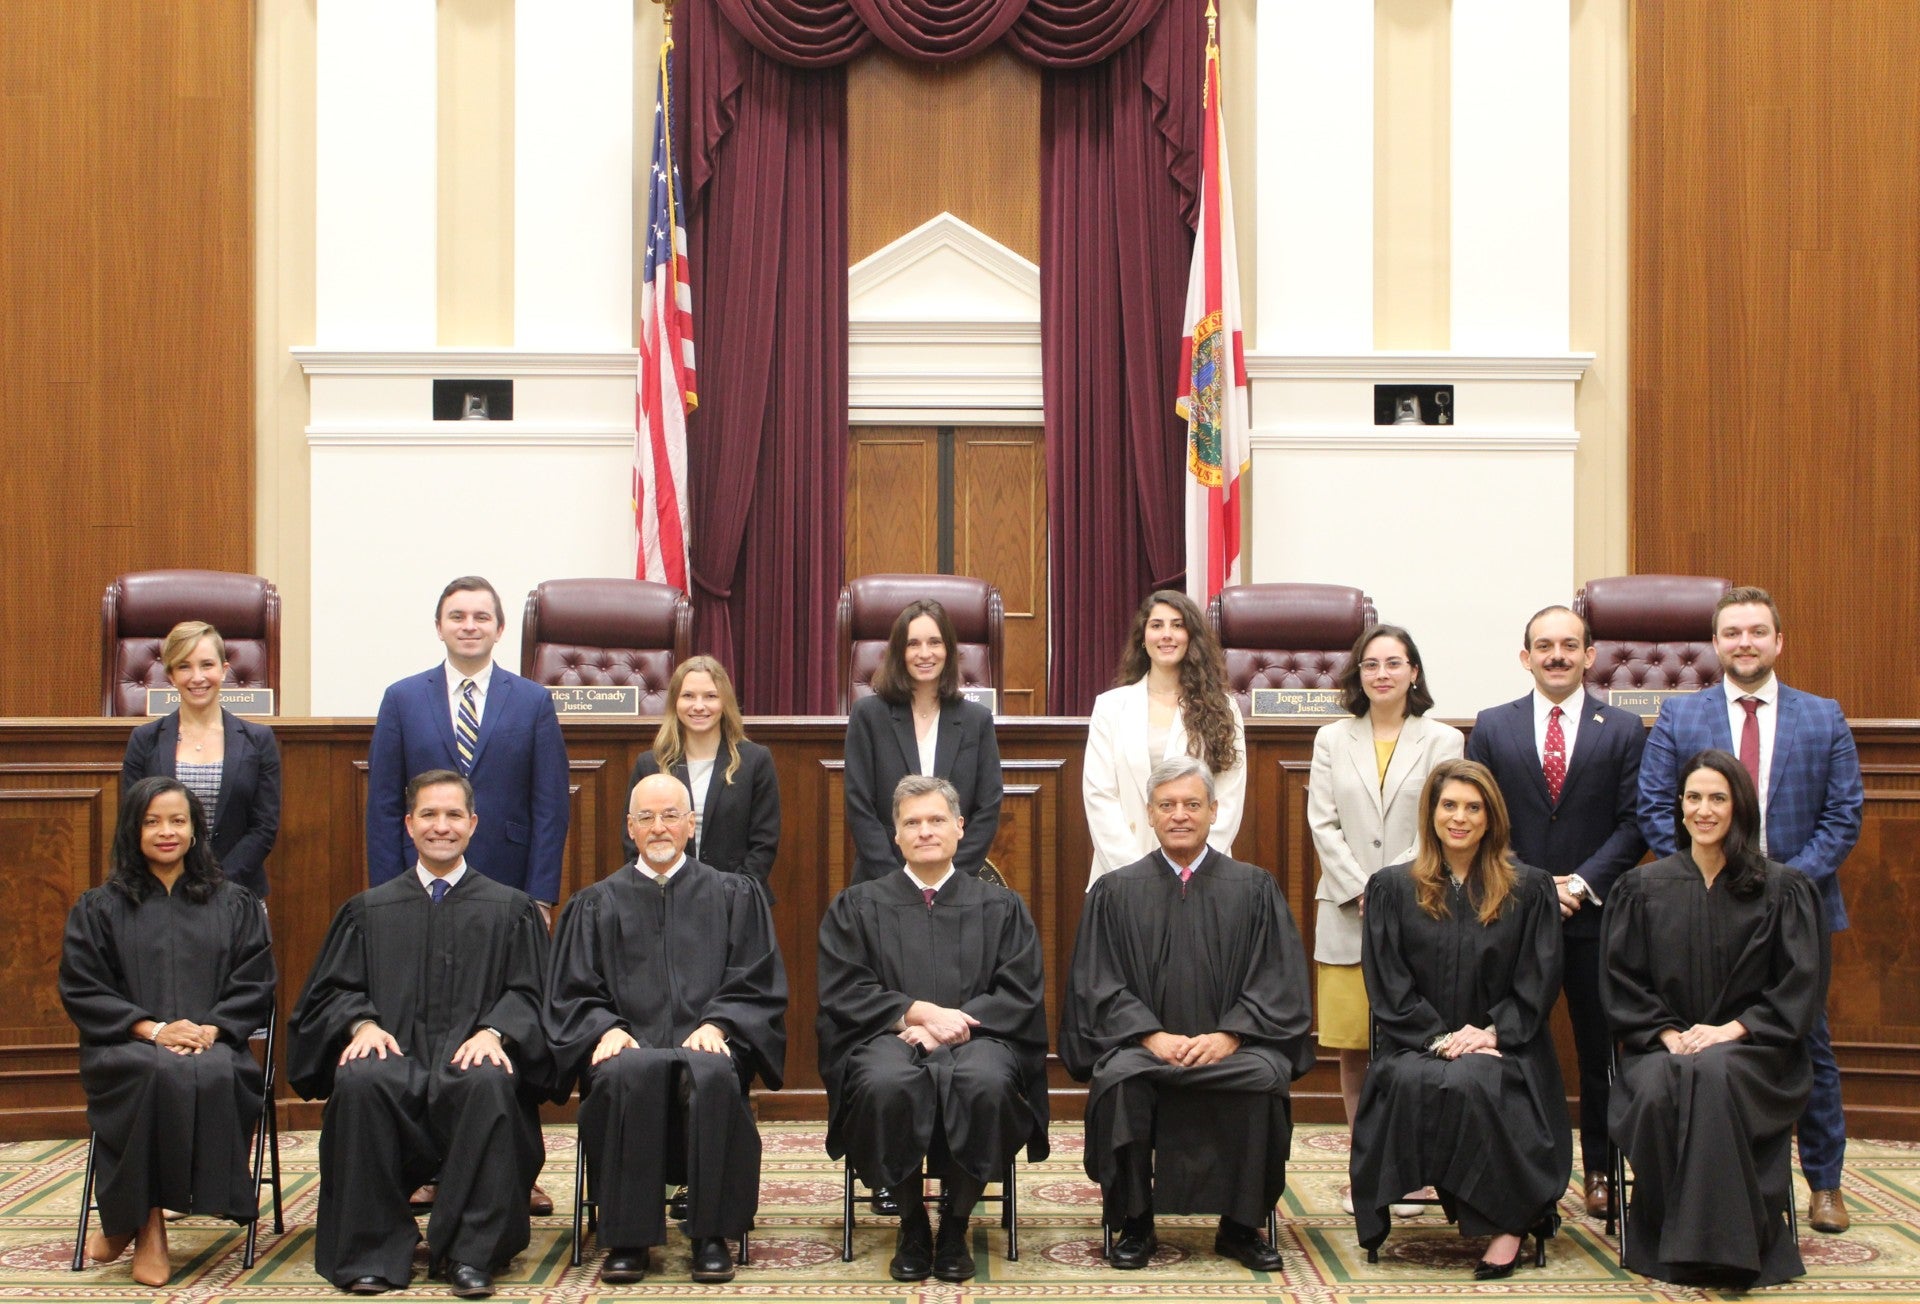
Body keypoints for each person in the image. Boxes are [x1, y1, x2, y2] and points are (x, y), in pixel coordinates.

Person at [1636, 585, 1862, 1233]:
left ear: (1778, 641)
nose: (1744, 642)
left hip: (1798, 909)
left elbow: (1842, 817)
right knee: (1705, 1041)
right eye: (1732, 631)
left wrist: (1779, 888)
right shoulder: (1682, 718)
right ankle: (1709, 1177)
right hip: (1702, 910)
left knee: (1806, 1041)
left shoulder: (1824, 716)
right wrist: (1704, 879)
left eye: (1757, 631)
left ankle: (1824, 1184)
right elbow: (1655, 807)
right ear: (1715, 643)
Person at [290, 770, 554, 1298]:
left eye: (454, 815)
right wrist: (360, 1023)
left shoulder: (511, 910)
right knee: (361, 1079)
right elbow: (329, 993)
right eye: (429, 815)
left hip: (470, 1052)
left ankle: (470, 1253)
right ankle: (371, 1251)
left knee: (487, 1080)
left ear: (473, 824)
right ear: (408, 825)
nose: (442, 826)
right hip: (395, 1052)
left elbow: (534, 994)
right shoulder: (367, 911)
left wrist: (497, 1031)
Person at [1059, 756, 1314, 1272]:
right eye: (1167, 805)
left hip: (1230, 1053)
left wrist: (1230, 1037)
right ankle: (1136, 1224)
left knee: (1264, 1077)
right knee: (1120, 1078)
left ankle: (1241, 1227)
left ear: (1213, 811)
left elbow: (1277, 981)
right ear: (1149, 814)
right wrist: (1150, 1036)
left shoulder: (1254, 888)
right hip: (1146, 1053)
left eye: (1192, 804)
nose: (1180, 815)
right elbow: (1097, 985)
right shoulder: (1116, 891)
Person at [545, 772, 787, 1285]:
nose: (659, 827)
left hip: (707, 1041)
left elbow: (756, 979)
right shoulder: (595, 903)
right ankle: (628, 1239)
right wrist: (602, 1027)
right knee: (619, 1072)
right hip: (626, 1046)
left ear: (691, 824)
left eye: (671, 815)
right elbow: (570, 990)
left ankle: (709, 1236)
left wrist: (721, 1023)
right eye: (647, 817)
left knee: (713, 1073)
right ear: (629, 827)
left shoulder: (731, 895)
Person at [1604, 749, 1829, 1288]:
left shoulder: (1782, 888)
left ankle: (1717, 1248)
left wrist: (1730, 1030)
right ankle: (1689, 1241)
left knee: (1712, 1072)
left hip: (1756, 1054)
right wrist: (1668, 1033)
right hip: (1662, 1046)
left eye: (1717, 798)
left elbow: (1800, 986)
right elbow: (1622, 982)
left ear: (1739, 808)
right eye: (1694, 797)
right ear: (1679, 806)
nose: (1704, 810)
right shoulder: (1642, 889)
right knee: (1661, 1087)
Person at [816, 775, 1049, 1284]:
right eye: (912, 822)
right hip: (886, 1036)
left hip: (981, 1037)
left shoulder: (1000, 906)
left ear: (960, 828)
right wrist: (916, 1013)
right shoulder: (857, 905)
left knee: (985, 1083)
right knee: (883, 1083)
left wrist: (947, 1027)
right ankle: (913, 1222)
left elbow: (1020, 990)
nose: (925, 831)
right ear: (894, 835)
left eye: (936, 820)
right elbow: (843, 990)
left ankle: (956, 1224)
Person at [1349, 760, 1569, 1279]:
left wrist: (1490, 1032)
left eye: (1474, 807)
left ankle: (1509, 1221)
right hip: (1417, 1041)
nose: (1460, 818)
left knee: (1479, 1078)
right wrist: (1443, 1038)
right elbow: (1388, 985)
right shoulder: (1391, 888)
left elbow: (1537, 983)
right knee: (1412, 1076)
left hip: (1506, 1046)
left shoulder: (1530, 889)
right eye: (1449, 805)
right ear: (1431, 813)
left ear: (1492, 818)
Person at [59, 776, 276, 1288]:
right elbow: (82, 987)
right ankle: (147, 1222)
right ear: (133, 831)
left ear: (196, 829)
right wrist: (154, 1030)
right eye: (152, 821)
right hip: (125, 1046)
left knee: (211, 1073)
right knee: (152, 1073)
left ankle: (129, 1218)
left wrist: (211, 1029)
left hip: (213, 1044)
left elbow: (256, 980)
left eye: (178, 820)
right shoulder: (100, 907)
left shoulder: (235, 903)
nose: (166, 832)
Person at [1465, 605, 1645, 1218]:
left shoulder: (1622, 730)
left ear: (1590, 656)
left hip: (1595, 920)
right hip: (1513, 916)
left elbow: (1634, 823)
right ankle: (1516, 1168)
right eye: (1545, 646)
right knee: (1511, 1046)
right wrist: (1541, 887)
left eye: (1570, 645)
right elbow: (1479, 819)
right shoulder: (1493, 726)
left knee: (1599, 1055)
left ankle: (1600, 1171)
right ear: (1526, 657)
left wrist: (1581, 884)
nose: (1558, 655)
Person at [1306, 622, 1463, 1206]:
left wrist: (1391, 886)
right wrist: (1361, 887)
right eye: (1371, 665)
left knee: (1413, 1042)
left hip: (1419, 908)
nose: (1382, 674)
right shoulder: (1331, 739)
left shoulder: (1444, 742)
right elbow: (1323, 822)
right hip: (1346, 914)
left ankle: (1419, 1167)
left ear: (1414, 673)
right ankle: (1366, 1168)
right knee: (1353, 1048)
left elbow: (1441, 823)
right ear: (1358, 675)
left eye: (1394, 663)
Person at [366, 576, 570, 916]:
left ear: (500, 629)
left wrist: (541, 895)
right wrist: (388, 892)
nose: (469, 626)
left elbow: (551, 806)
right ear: (439, 627)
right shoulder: (401, 699)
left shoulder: (533, 701)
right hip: (417, 876)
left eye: (482, 617)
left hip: (509, 878)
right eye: (457, 617)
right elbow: (382, 804)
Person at [1083, 590, 1246, 886]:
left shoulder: (1223, 708)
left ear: (1191, 636)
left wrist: (1193, 868)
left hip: (1202, 879)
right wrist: (1138, 875)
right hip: (1122, 877)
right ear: (1143, 638)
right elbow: (1099, 797)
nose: (1167, 635)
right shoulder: (1110, 707)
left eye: (1178, 625)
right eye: (1157, 625)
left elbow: (1227, 800)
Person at [844, 598, 1002, 883]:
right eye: (913, 644)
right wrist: (900, 883)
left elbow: (988, 808)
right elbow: (859, 806)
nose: (925, 653)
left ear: (949, 650)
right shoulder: (868, 715)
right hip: (881, 883)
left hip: (955, 890)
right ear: (899, 652)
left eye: (935, 642)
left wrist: (949, 879)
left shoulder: (976, 720)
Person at [120, 621, 281, 898]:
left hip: (237, 894)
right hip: (163, 894)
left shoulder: (259, 740)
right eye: (184, 666)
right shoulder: (144, 741)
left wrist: (217, 883)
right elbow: (134, 822)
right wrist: (176, 883)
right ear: (170, 675)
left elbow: (264, 826)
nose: (197, 677)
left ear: (224, 669)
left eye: (207, 665)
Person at [621, 656, 781, 903]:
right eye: (688, 696)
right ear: (675, 701)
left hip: (738, 901)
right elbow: (633, 840)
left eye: (710, 696)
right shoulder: (649, 764)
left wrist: (734, 893)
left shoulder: (755, 761)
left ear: (724, 702)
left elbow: (764, 843)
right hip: (663, 901)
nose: (698, 706)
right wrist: (660, 891)